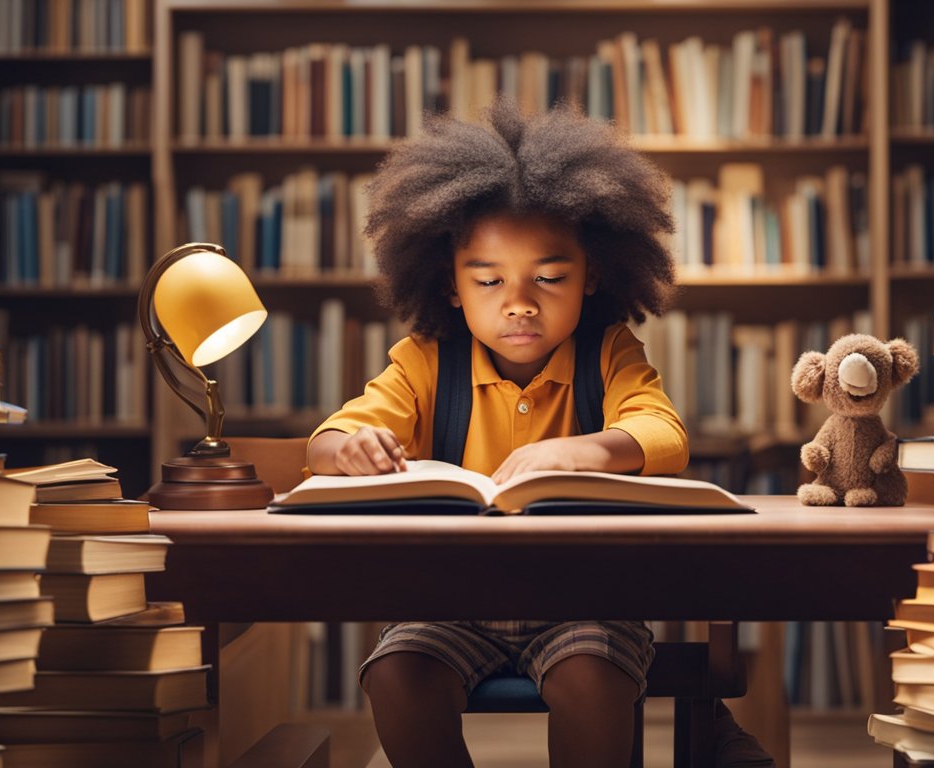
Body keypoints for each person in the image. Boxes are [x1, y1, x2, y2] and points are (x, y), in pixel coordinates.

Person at [305, 99, 769, 768]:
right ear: (451, 285)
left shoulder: (607, 352)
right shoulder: (426, 361)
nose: (519, 301)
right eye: (488, 280)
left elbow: (662, 432)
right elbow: (337, 433)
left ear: (592, 277)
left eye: (550, 278)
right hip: (449, 601)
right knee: (394, 676)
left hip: (586, 600)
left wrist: (581, 450)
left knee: (592, 676)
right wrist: (344, 447)